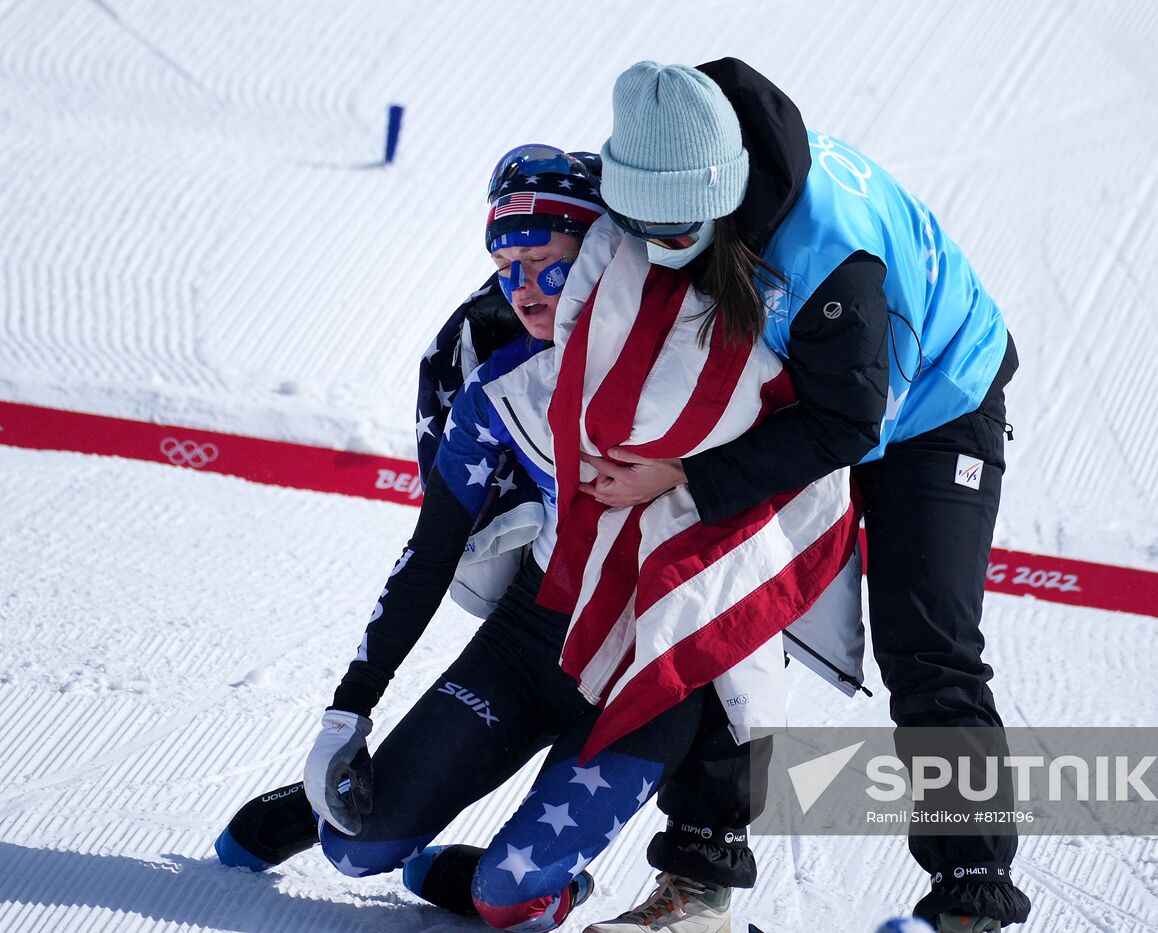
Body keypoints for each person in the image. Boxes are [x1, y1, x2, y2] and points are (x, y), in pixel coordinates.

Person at [215, 142, 866, 932]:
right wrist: (347, 713)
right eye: (507, 265)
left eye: (547, 264)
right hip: (535, 634)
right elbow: (430, 552)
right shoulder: (501, 387)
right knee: (356, 851)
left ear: (599, 257)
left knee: (507, 900)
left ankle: (496, 877)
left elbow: (822, 455)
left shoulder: (706, 361)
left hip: (650, 666)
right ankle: (342, 812)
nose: (524, 288)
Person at [577, 59, 1030, 933]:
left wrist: (690, 475)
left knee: (926, 640)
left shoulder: (828, 255)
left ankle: (971, 898)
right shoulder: (669, 154)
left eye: (676, 227)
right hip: (800, 385)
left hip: (934, 402)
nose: (656, 241)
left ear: (724, 191)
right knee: (719, 601)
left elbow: (850, 425)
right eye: (640, 222)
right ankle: (699, 882)